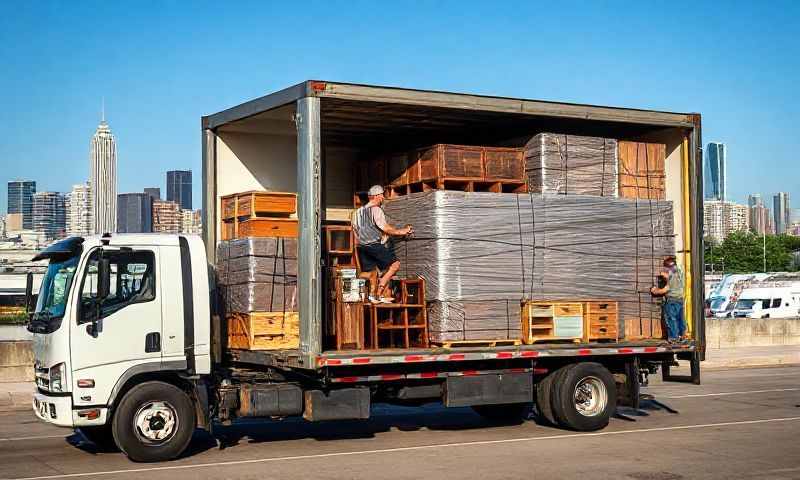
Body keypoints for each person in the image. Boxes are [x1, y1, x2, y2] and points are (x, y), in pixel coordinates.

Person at [352, 185, 413, 303]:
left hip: (361, 246)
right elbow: (384, 227)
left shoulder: (358, 212)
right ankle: (379, 293)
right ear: (377, 196)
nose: (383, 198)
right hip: (373, 245)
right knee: (395, 265)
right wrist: (402, 231)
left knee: (371, 273)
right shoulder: (376, 210)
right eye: (382, 195)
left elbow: (356, 231)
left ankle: (366, 291)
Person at [650, 255, 687, 343]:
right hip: (680, 299)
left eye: (665, 267)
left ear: (668, 266)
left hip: (672, 300)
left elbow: (665, 289)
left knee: (671, 319)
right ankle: (682, 335)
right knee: (680, 318)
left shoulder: (671, 274)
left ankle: (674, 338)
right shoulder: (680, 271)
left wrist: (655, 290)